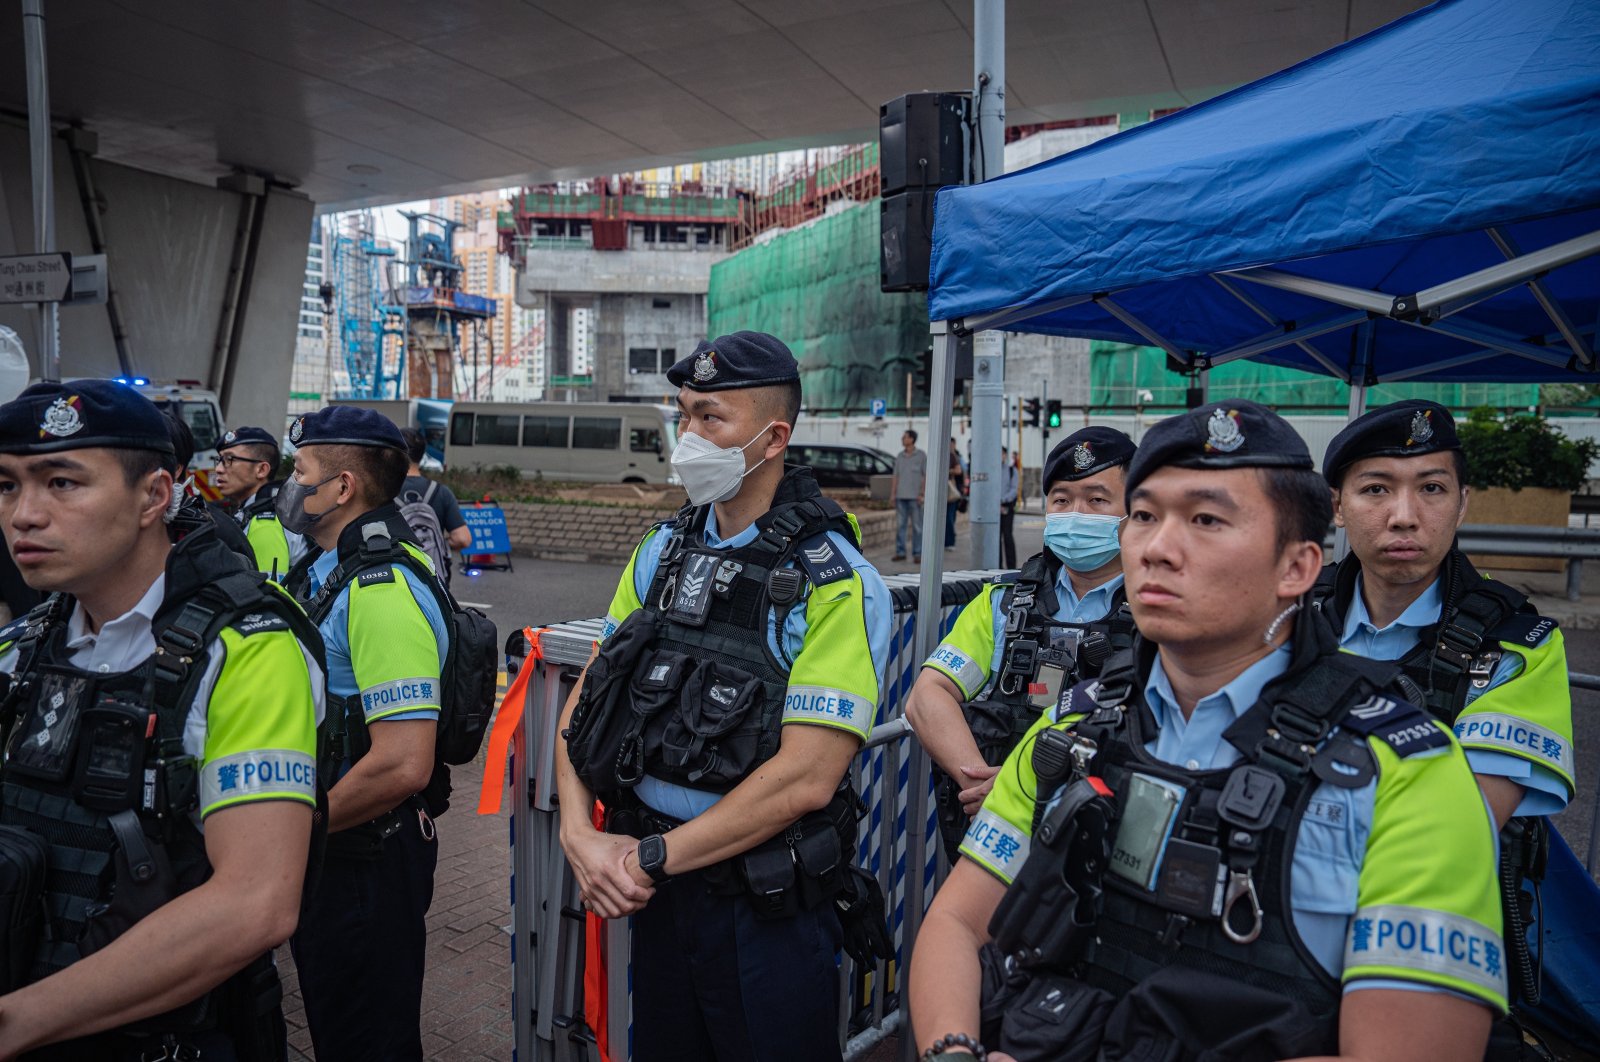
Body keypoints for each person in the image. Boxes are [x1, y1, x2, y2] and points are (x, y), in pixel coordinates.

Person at [909, 400, 1505, 1062]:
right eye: (1144, 516)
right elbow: (957, 923)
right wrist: (954, 1051)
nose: (1158, 548)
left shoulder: (1408, 772)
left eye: (1206, 520)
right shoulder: (1077, 726)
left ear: (1297, 568)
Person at [556, 331, 892, 1062]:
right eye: (683, 415)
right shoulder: (662, 553)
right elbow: (589, 700)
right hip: (657, 892)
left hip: (762, 909)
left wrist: (645, 859)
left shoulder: (832, 582)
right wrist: (579, 836)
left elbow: (807, 777)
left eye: (711, 419)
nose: (688, 437)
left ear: (773, 438)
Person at [0, 380, 324, 1060]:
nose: (24, 514)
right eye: (6, 486)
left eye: (62, 483)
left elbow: (256, 900)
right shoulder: (23, 646)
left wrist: (17, 1022)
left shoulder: (249, 651)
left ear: (154, 496)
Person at [1314, 400, 1572, 1021]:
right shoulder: (1285, 614)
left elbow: (1463, 825)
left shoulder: (1517, 645)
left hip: (1424, 943)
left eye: (1431, 488)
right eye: (1375, 488)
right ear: (1338, 506)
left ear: (1462, 503)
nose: (1405, 516)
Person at [278, 406, 448, 1062]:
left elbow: (405, 764)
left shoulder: (379, 589)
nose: (291, 489)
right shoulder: (325, 569)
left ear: (343, 487)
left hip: (366, 857)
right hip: (337, 844)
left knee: (366, 1038)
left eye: (301, 473)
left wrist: (298, 829)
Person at [906, 427, 1137, 861]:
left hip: (1103, 844)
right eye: (1062, 500)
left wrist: (1017, 787)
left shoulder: (1160, 613)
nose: (1075, 513)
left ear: (1137, 510)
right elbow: (928, 697)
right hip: (995, 842)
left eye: (1097, 500)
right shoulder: (1003, 604)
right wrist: (985, 791)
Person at [212, 425, 310, 581]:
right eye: (219, 460)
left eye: (229, 459)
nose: (218, 469)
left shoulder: (266, 522)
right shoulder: (252, 512)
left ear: (262, 470)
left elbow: (265, 595)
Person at [398, 426, 470, 585]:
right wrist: (437, 542)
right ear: (422, 455)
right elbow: (463, 539)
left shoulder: (383, 492)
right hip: (434, 584)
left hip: (398, 582)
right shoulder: (442, 492)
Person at [892, 429, 926, 562]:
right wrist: (893, 494)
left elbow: (925, 476)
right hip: (901, 497)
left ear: (911, 439)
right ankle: (900, 552)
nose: (902, 439)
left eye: (904, 437)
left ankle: (917, 554)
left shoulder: (921, 456)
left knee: (917, 527)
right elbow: (896, 476)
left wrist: (922, 494)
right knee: (901, 526)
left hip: (915, 497)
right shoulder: (900, 456)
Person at [998, 445, 1019, 569]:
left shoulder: (1012, 471)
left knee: (1007, 536)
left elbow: (1014, 490)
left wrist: (1002, 500)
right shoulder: (991, 470)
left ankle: (1011, 567)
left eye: (1002, 453)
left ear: (1005, 455)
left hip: (1006, 507)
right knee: (995, 538)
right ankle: (997, 566)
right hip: (993, 509)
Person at [945, 449, 966, 550]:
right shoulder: (933, 455)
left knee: (949, 518)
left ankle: (950, 542)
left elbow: (959, 470)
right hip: (939, 492)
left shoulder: (951, 456)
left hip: (950, 492)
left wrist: (947, 471)